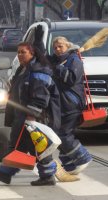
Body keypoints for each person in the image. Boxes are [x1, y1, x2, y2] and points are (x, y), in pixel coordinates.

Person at [0, 42, 61, 186]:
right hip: (21, 115)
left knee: (38, 147)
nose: (19, 55)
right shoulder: (24, 69)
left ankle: (47, 176)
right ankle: (5, 173)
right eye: (18, 52)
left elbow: (41, 96)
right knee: (18, 145)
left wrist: (32, 115)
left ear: (32, 54)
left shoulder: (38, 71)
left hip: (33, 117)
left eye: (23, 52)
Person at [47, 36, 92, 175]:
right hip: (60, 105)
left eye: (60, 46)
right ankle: (69, 165)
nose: (57, 49)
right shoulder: (56, 60)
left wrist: (56, 68)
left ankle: (83, 157)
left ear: (67, 46)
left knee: (64, 134)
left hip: (72, 104)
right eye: (55, 47)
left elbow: (71, 78)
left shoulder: (74, 60)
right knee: (57, 135)